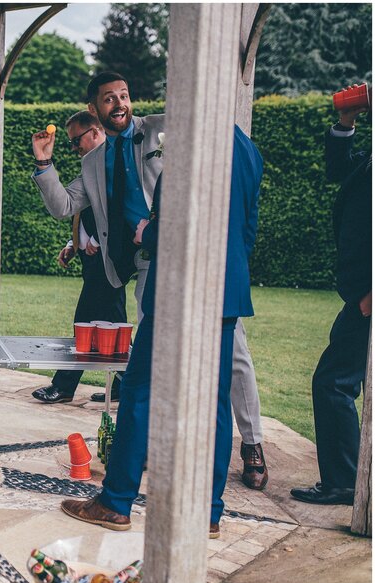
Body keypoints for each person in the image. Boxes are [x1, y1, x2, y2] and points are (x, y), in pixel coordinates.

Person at [31, 72, 269, 489]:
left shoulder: (163, 127)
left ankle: (252, 444)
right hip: (144, 268)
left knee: (232, 354)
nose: (119, 104)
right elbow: (63, 205)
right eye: (109, 99)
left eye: (123, 95)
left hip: (194, 260)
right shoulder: (91, 161)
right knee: (150, 360)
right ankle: (149, 444)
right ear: (95, 110)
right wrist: (44, 162)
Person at [60, 125, 263, 538]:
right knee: (214, 405)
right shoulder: (247, 148)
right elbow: (245, 229)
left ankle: (116, 503)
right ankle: (207, 513)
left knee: (139, 392)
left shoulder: (196, 139)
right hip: (225, 292)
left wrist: (146, 233)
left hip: (179, 291)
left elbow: (181, 224)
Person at [290, 97, 371, 505]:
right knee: (336, 381)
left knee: (333, 383)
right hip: (359, 295)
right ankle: (350, 478)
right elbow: (341, 169)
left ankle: (345, 481)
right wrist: (346, 120)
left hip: (368, 298)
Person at [32, 111, 126, 404]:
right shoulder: (90, 170)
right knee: (114, 326)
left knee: (85, 324)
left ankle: (64, 386)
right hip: (95, 260)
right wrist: (76, 243)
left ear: (96, 132)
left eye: (76, 141)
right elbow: (69, 208)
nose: (74, 148)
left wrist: (99, 240)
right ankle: (128, 384)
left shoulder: (120, 164)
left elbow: (125, 207)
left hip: (108, 261)